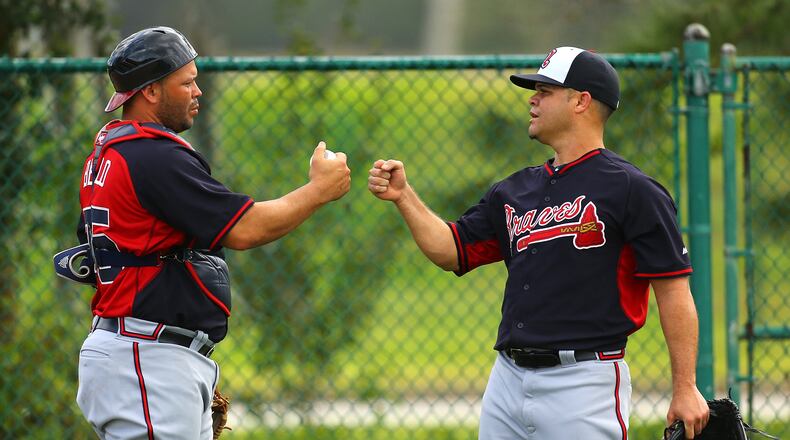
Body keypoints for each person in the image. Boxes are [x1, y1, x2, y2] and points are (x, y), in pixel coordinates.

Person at [368, 46, 709, 439]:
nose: (533, 99)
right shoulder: (513, 191)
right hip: (507, 379)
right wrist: (404, 196)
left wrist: (685, 387)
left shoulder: (634, 191)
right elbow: (451, 250)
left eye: (545, 90)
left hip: (584, 382)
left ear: (581, 101)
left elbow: (673, 291)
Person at [65, 26, 351, 439]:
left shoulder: (109, 155)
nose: (197, 91)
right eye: (186, 82)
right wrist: (318, 191)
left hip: (146, 353)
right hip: (146, 358)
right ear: (150, 91)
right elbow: (245, 228)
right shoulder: (152, 156)